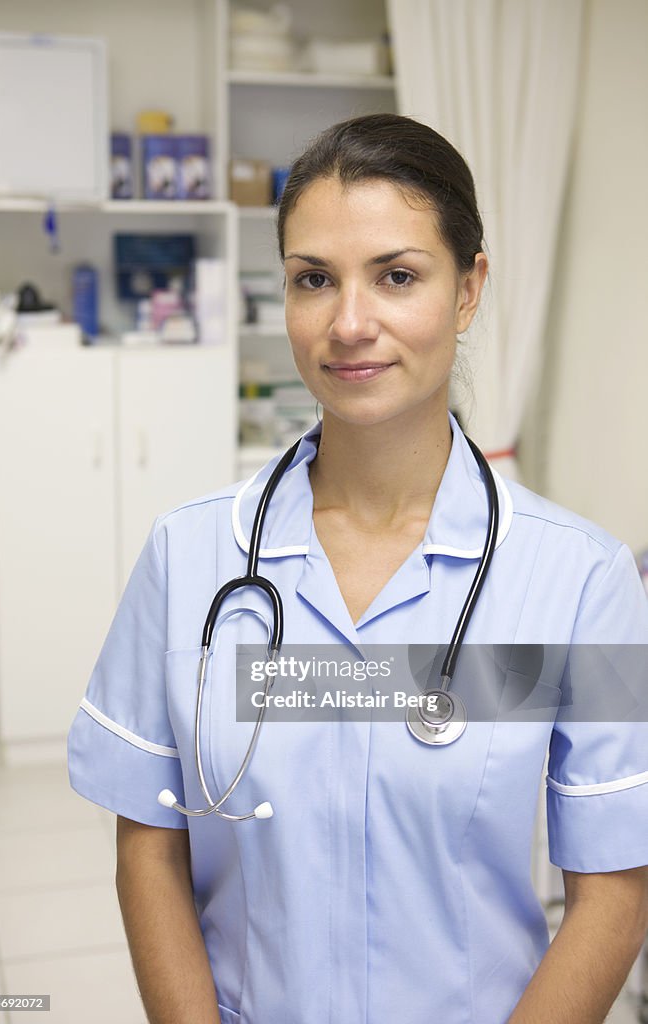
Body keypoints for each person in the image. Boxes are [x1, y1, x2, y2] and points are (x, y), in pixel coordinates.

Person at [68, 114, 648, 1024]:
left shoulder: (580, 581)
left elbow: (612, 891)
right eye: (313, 280)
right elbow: (149, 842)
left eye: (397, 276)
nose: (348, 324)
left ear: (467, 291)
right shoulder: (189, 556)